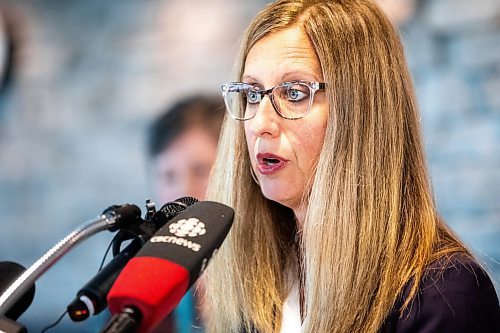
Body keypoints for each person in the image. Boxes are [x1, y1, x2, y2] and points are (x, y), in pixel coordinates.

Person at [202, 1, 500, 332]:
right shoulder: (259, 283)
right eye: (253, 95)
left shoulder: (441, 296)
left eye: (295, 93)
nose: (260, 123)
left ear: (362, 114)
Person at [146, 94, 225, 332]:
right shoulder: (143, 288)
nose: (183, 191)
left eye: (200, 170)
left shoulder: (277, 279)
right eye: (169, 176)